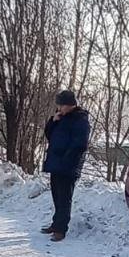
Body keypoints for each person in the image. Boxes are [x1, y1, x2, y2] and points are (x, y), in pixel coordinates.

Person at [39, 90, 91, 242]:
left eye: (61, 105)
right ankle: (56, 224)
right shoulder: (61, 118)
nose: (59, 108)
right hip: (56, 163)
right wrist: (52, 121)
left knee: (64, 198)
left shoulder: (80, 120)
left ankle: (61, 229)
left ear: (70, 105)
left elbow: (80, 144)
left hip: (68, 165)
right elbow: (49, 135)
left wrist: (67, 158)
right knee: (56, 196)